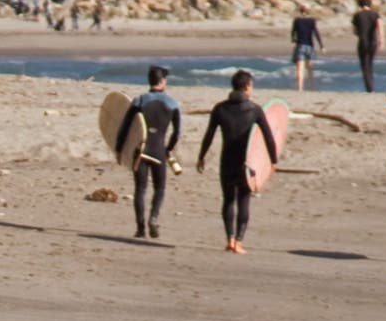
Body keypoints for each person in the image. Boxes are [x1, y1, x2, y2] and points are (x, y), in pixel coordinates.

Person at [195, 70, 280, 254]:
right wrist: (273, 161)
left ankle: (229, 239)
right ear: (247, 86)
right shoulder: (255, 110)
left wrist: (201, 156)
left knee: (228, 200)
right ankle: (239, 242)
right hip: (246, 162)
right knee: (243, 200)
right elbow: (268, 137)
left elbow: (209, 135)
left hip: (226, 160)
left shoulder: (220, 108)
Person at [115, 67, 182, 239]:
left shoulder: (139, 101)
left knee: (140, 189)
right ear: (162, 81)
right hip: (159, 151)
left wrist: (119, 149)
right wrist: (168, 149)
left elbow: (125, 127)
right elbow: (177, 132)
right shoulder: (172, 104)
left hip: (141, 151)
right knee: (159, 188)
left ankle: (140, 229)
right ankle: (153, 218)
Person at [350, 0, 384, 93]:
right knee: (370, 63)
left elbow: (354, 30)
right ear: (370, 4)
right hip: (373, 42)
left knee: (364, 65)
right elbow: (380, 27)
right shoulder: (375, 14)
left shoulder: (357, 15)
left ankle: (369, 88)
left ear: (360, 4)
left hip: (362, 42)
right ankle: (371, 86)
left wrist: (360, 33)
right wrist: (381, 40)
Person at [289, 8, 323, 90]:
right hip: (309, 46)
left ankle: (300, 88)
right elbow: (316, 33)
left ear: (300, 11)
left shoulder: (297, 20)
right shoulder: (311, 21)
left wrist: (293, 41)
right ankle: (311, 85)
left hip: (300, 45)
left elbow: (293, 32)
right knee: (310, 67)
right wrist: (322, 46)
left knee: (300, 68)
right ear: (308, 12)